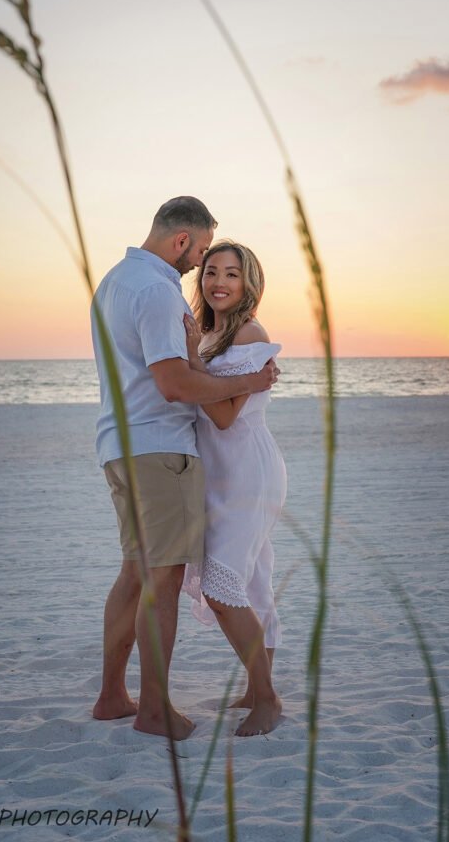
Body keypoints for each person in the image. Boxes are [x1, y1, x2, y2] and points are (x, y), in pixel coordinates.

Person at [90, 198, 279, 741]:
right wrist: (248, 381)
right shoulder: (156, 290)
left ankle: (112, 697)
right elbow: (175, 384)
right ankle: (152, 708)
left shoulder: (114, 281)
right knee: (163, 581)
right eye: (202, 256)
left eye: (225, 270)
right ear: (182, 242)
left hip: (123, 444)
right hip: (160, 450)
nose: (200, 268)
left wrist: (214, 366)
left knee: (136, 572)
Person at [183, 240, 286, 737]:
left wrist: (190, 364)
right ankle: (254, 687)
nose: (218, 282)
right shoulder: (210, 335)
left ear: (249, 283)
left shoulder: (248, 332)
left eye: (231, 274)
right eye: (210, 272)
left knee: (222, 586)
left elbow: (223, 417)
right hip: (220, 472)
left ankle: (267, 699)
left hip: (247, 468)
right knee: (254, 580)